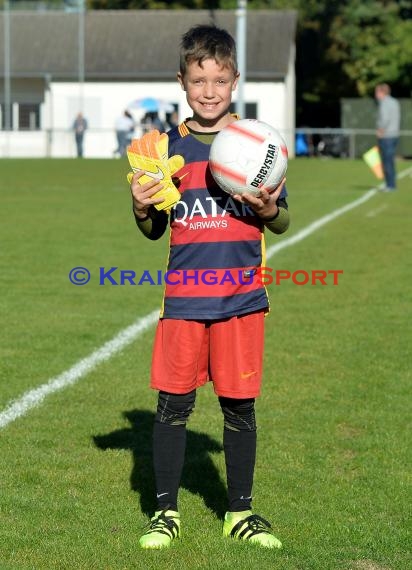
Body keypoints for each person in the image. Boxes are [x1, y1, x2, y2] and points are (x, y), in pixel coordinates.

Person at [130, 24, 290, 550]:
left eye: (220, 79)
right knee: (172, 405)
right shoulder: (165, 149)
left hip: (241, 300)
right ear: (183, 81)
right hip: (183, 301)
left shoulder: (257, 144)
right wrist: (140, 205)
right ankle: (165, 513)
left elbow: (281, 220)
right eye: (199, 79)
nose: (210, 90)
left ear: (235, 81)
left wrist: (268, 207)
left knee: (239, 406)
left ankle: (238, 512)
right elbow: (154, 228)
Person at [375, 83, 401, 191]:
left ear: (382, 92)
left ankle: (390, 185)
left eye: (377, 92)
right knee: (390, 160)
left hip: (386, 136)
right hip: (395, 134)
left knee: (386, 161)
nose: (375, 94)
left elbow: (385, 119)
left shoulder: (385, 103)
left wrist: (380, 130)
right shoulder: (395, 102)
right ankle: (391, 183)